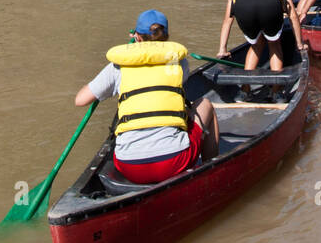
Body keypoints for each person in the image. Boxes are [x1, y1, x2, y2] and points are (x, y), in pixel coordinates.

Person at [73, 10, 219, 183]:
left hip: (128, 166)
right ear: (166, 37)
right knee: (205, 103)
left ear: (137, 37)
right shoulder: (178, 62)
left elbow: (80, 100)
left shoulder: (118, 66)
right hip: (173, 162)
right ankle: (211, 171)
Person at [219, 0, 304, 71]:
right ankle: (276, 87)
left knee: (256, 44)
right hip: (268, 1)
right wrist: (299, 44)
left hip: (244, 5)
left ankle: (246, 86)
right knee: (274, 43)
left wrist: (222, 49)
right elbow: (292, 13)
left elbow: (228, 18)